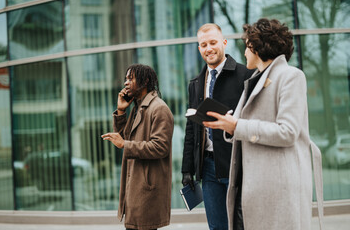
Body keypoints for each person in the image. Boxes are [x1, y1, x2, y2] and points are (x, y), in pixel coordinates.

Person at [203, 18, 323, 230]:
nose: (244, 53)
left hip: (278, 190)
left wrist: (237, 126)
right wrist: (227, 125)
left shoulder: (291, 76)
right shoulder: (254, 79)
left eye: (247, 46)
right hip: (251, 188)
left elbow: (287, 132)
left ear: (256, 47)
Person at [181, 23, 253, 230]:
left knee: (242, 225)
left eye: (213, 43)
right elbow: (191, 129)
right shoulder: (195, 83)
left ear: (224, 43)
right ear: (199, 49)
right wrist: (187, 168)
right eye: (203, 45)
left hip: (237, 163)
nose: (208, 48)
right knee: (217, 227)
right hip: (208, 168)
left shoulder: (245, 75)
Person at [101, 64, 174, 230]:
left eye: (130, 78)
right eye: (126, 78)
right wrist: (120, 112)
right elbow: (125, 138)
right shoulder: (137, 108)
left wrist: (124, 144)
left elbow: (160, 147)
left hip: (146, 189)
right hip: (135, 185)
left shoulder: (159, 108)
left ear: (145, 80)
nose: (126, 83)